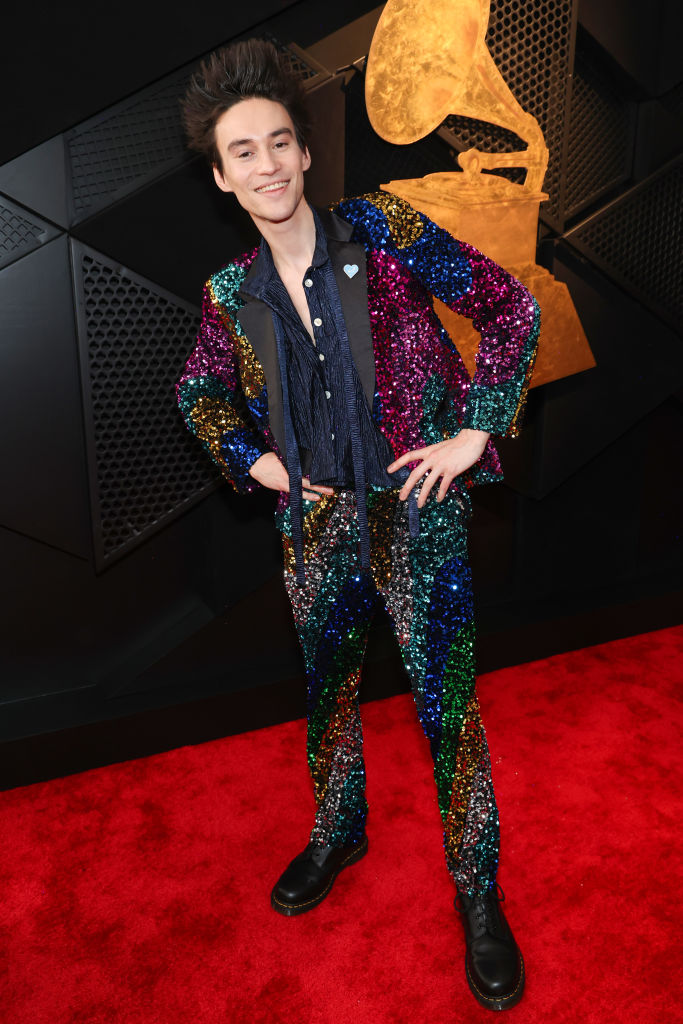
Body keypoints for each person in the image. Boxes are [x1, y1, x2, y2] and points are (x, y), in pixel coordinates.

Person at [177, 38, 539, 1012]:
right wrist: (257, 464)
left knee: (448, 712)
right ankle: (340, 830)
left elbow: (507, 308)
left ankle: (477, 893)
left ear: (302, 154)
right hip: (315, 529)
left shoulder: (382, 229)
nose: (266, 164)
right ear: (222, 177)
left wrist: (475, 428)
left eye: (279, 142)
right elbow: (200, 393)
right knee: (330, 697)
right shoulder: (226, 295)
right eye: (242, 151)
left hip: (415, 517)